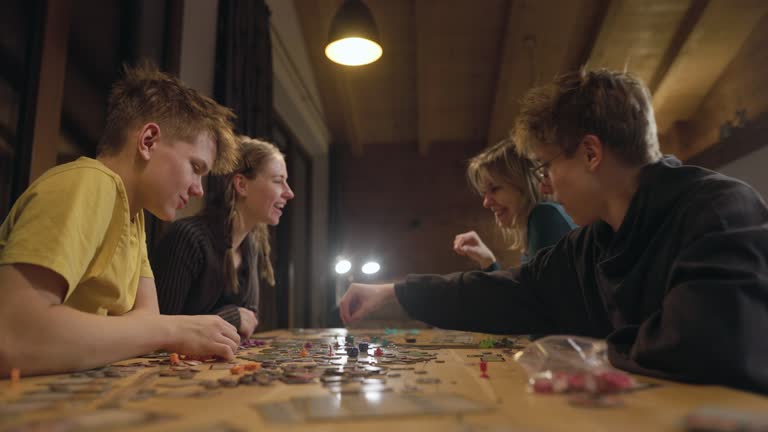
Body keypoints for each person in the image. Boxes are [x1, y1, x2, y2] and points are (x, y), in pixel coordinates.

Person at [339, 68, 768, 394]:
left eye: (547, 166)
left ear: (590, 153)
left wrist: (587, 351)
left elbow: (702, 347)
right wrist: (395, 292)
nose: (545, 185)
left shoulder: (719, 208)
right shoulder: (589, 244)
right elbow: (508, 291)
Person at [0, 64, 242, 377]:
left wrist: (156, 329)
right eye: (195, 167)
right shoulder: (89, 183)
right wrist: (170, 329)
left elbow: (148, 323)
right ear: (149, 140)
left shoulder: (131, 214)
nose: (198, 190)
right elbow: (16, 337)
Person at [152, 137, 294, 339]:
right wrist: (231, 318)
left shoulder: (249, 246)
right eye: (278, 181)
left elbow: (249, 321)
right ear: (242, 185)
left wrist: (237, 319)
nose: (289, 193)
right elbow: (159, 329)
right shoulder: (187, 238)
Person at [453, 139, 575, 269]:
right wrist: (487, 260)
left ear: (523, 184)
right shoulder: (544, 218)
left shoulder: (544, 215)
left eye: (495, 189)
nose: (486, 203)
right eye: (484, 193)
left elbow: (533, 289)